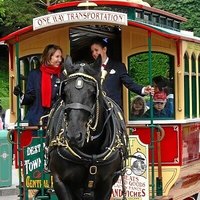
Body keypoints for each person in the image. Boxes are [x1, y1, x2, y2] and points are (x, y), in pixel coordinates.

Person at [90, 37, 153, 108]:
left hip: (113, 108)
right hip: (96, 108)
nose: (94, 53)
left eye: (96, 50)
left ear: (104, 49)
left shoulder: (118, 66)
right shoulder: (90, 68)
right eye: (92, 51)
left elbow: (129, 83)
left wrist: (143, 89)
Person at [14, 44, 63, 126]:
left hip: (56, 121)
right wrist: (20, 94)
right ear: (48, 57)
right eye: (57, 57)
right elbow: (31, 97)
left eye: (60, 57)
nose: (60, 60)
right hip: (37, 119)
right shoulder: (34, 74)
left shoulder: (61, 76)